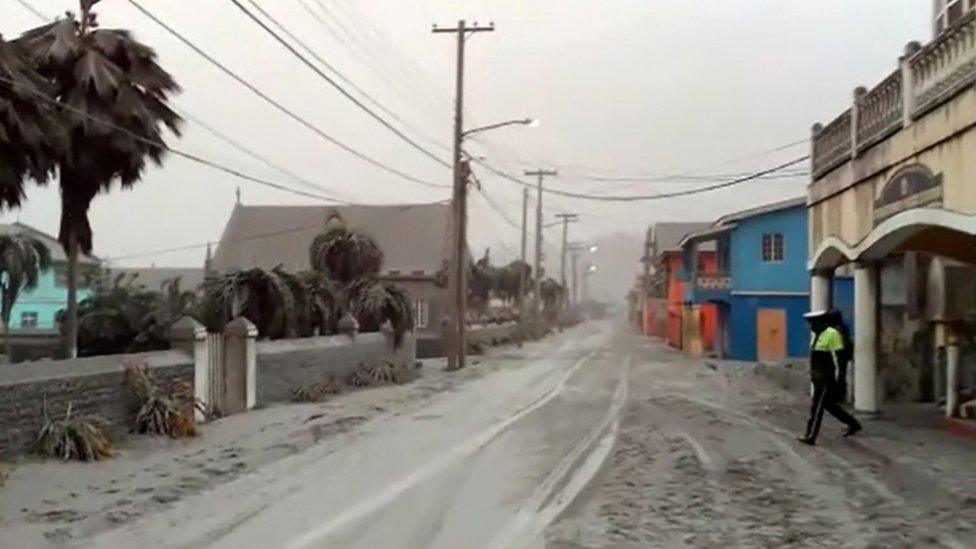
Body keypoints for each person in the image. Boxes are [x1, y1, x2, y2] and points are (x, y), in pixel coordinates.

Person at [797, 310, 862, 446]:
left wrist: (840, 379)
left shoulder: (832, 334)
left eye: (813, 323)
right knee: (829, 405)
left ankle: (811, 435)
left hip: (826, 378)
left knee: (817, 407)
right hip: (817, 377)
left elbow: (838, 359)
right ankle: (853, 423)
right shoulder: (816, 335)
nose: (811, 326)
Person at [826, 310, 852, 404]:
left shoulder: (835, 329)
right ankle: (839, 396)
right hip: (841, 355)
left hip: (838, 355)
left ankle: (837, 396)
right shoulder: (842, 327)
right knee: (841, 375)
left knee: (837, 375)